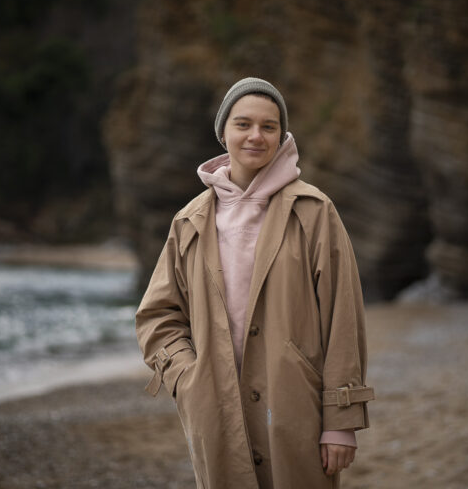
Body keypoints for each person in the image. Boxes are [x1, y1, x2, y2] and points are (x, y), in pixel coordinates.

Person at [136, 77, 374, 489]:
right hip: (214, 407)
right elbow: (159, 315)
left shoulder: (314, 212)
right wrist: (186, 378)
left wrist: (341, 421)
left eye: (269, 126)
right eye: (243, 124)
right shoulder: (190, 221)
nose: (255, 136)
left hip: (296, 406)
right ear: (223, 132)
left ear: (282, 136)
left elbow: (343, 318)